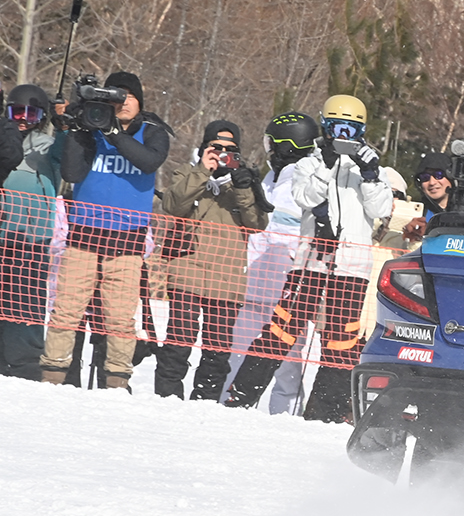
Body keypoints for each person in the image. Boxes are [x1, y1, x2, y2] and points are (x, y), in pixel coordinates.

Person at [224, 94, 392, 421]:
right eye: (337, 128)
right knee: (283, 328)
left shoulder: (375, 169)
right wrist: (327, 164)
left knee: (341, 340)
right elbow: (305, 197)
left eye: (351, 129)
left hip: (352, 265)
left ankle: (323, 413)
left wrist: (370, 174)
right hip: (311, 261)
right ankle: (240, 397)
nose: (344, 136)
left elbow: (381, 210)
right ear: (326, 128)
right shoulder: (309, 163)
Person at [39, 72, 171, 389]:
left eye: (129, 96)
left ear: (141, 101)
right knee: (66, 310)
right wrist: (76, 129)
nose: (122, 102)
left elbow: (149, 162)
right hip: (83, 239)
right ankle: (53, 375)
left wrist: (115, 135)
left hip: (127, 245)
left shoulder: (152, 132)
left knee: (120, 319)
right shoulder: (90, 129)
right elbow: (71, 172)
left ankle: (116, 380)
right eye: (115, 96)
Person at [154, 120, 268, 399]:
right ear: (204, 148)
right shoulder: (188, 172)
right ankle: (167, 399)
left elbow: (256, 224)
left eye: (230, 150)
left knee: (217, 350)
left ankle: (205, 402)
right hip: (187, 270)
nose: (222, 153)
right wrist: (203, 170)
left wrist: (243, 187)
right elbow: (173, 205)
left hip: (227, 279)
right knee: (178, 344)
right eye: (215, 147)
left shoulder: (244, 181)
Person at [222, 112, 320, 412]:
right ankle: (228, 408)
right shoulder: (271, 177)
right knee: (237, 354)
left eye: (273, 143)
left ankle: (283, 416)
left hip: (287, 286)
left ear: (288, 146)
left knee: (286, 362)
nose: (269, 149)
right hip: (254, 284)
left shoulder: (307, 180)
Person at [0, 85, 63, 379]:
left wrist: (65, 124)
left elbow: (70, 158)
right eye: (17, 112)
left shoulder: (48, 146)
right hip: (4, 234)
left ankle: (25, 361)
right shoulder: (4, 140)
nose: (23, 119)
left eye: (32, 113)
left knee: (26, 301)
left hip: (33, 239)